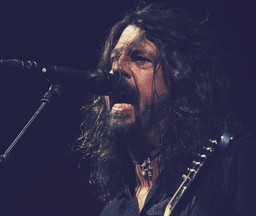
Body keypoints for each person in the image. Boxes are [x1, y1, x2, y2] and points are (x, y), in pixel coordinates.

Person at [75, 1, 256, 215]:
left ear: (180, 78)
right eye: (113, 60)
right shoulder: (114, 210)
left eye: (139, 58)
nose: (116, 69)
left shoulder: (233, 164)